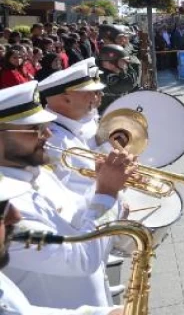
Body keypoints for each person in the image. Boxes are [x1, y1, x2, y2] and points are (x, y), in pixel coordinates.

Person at [0, 81, 134, 309]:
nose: (48, 134)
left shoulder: (37, 172)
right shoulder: (6, 207)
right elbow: (80, 258)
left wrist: (102, 184)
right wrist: (107, 193)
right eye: (35, 129)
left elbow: (75, 218)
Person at [0, 174, 124, 314]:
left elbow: (76, 227)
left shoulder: (40, 176)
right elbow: (82, 259)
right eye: (1, 208)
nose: (16, 216)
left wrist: (103, 189)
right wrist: (107, 195)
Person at [39, 58, 106, 194]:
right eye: (90, 93)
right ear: (66, 99)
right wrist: (109, 185)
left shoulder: (72, 124)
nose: (95, 98)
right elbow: (64, 196)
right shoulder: (53, 139)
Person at [97, 45, 139, 113]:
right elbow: (129, 84)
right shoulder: (105, 76)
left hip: (118, 110)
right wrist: (117, 70)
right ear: (110, 63)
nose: (124, 63)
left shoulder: (113, 71)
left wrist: (126, 68)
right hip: (108, 114)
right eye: (121, 61)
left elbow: (134, 78)